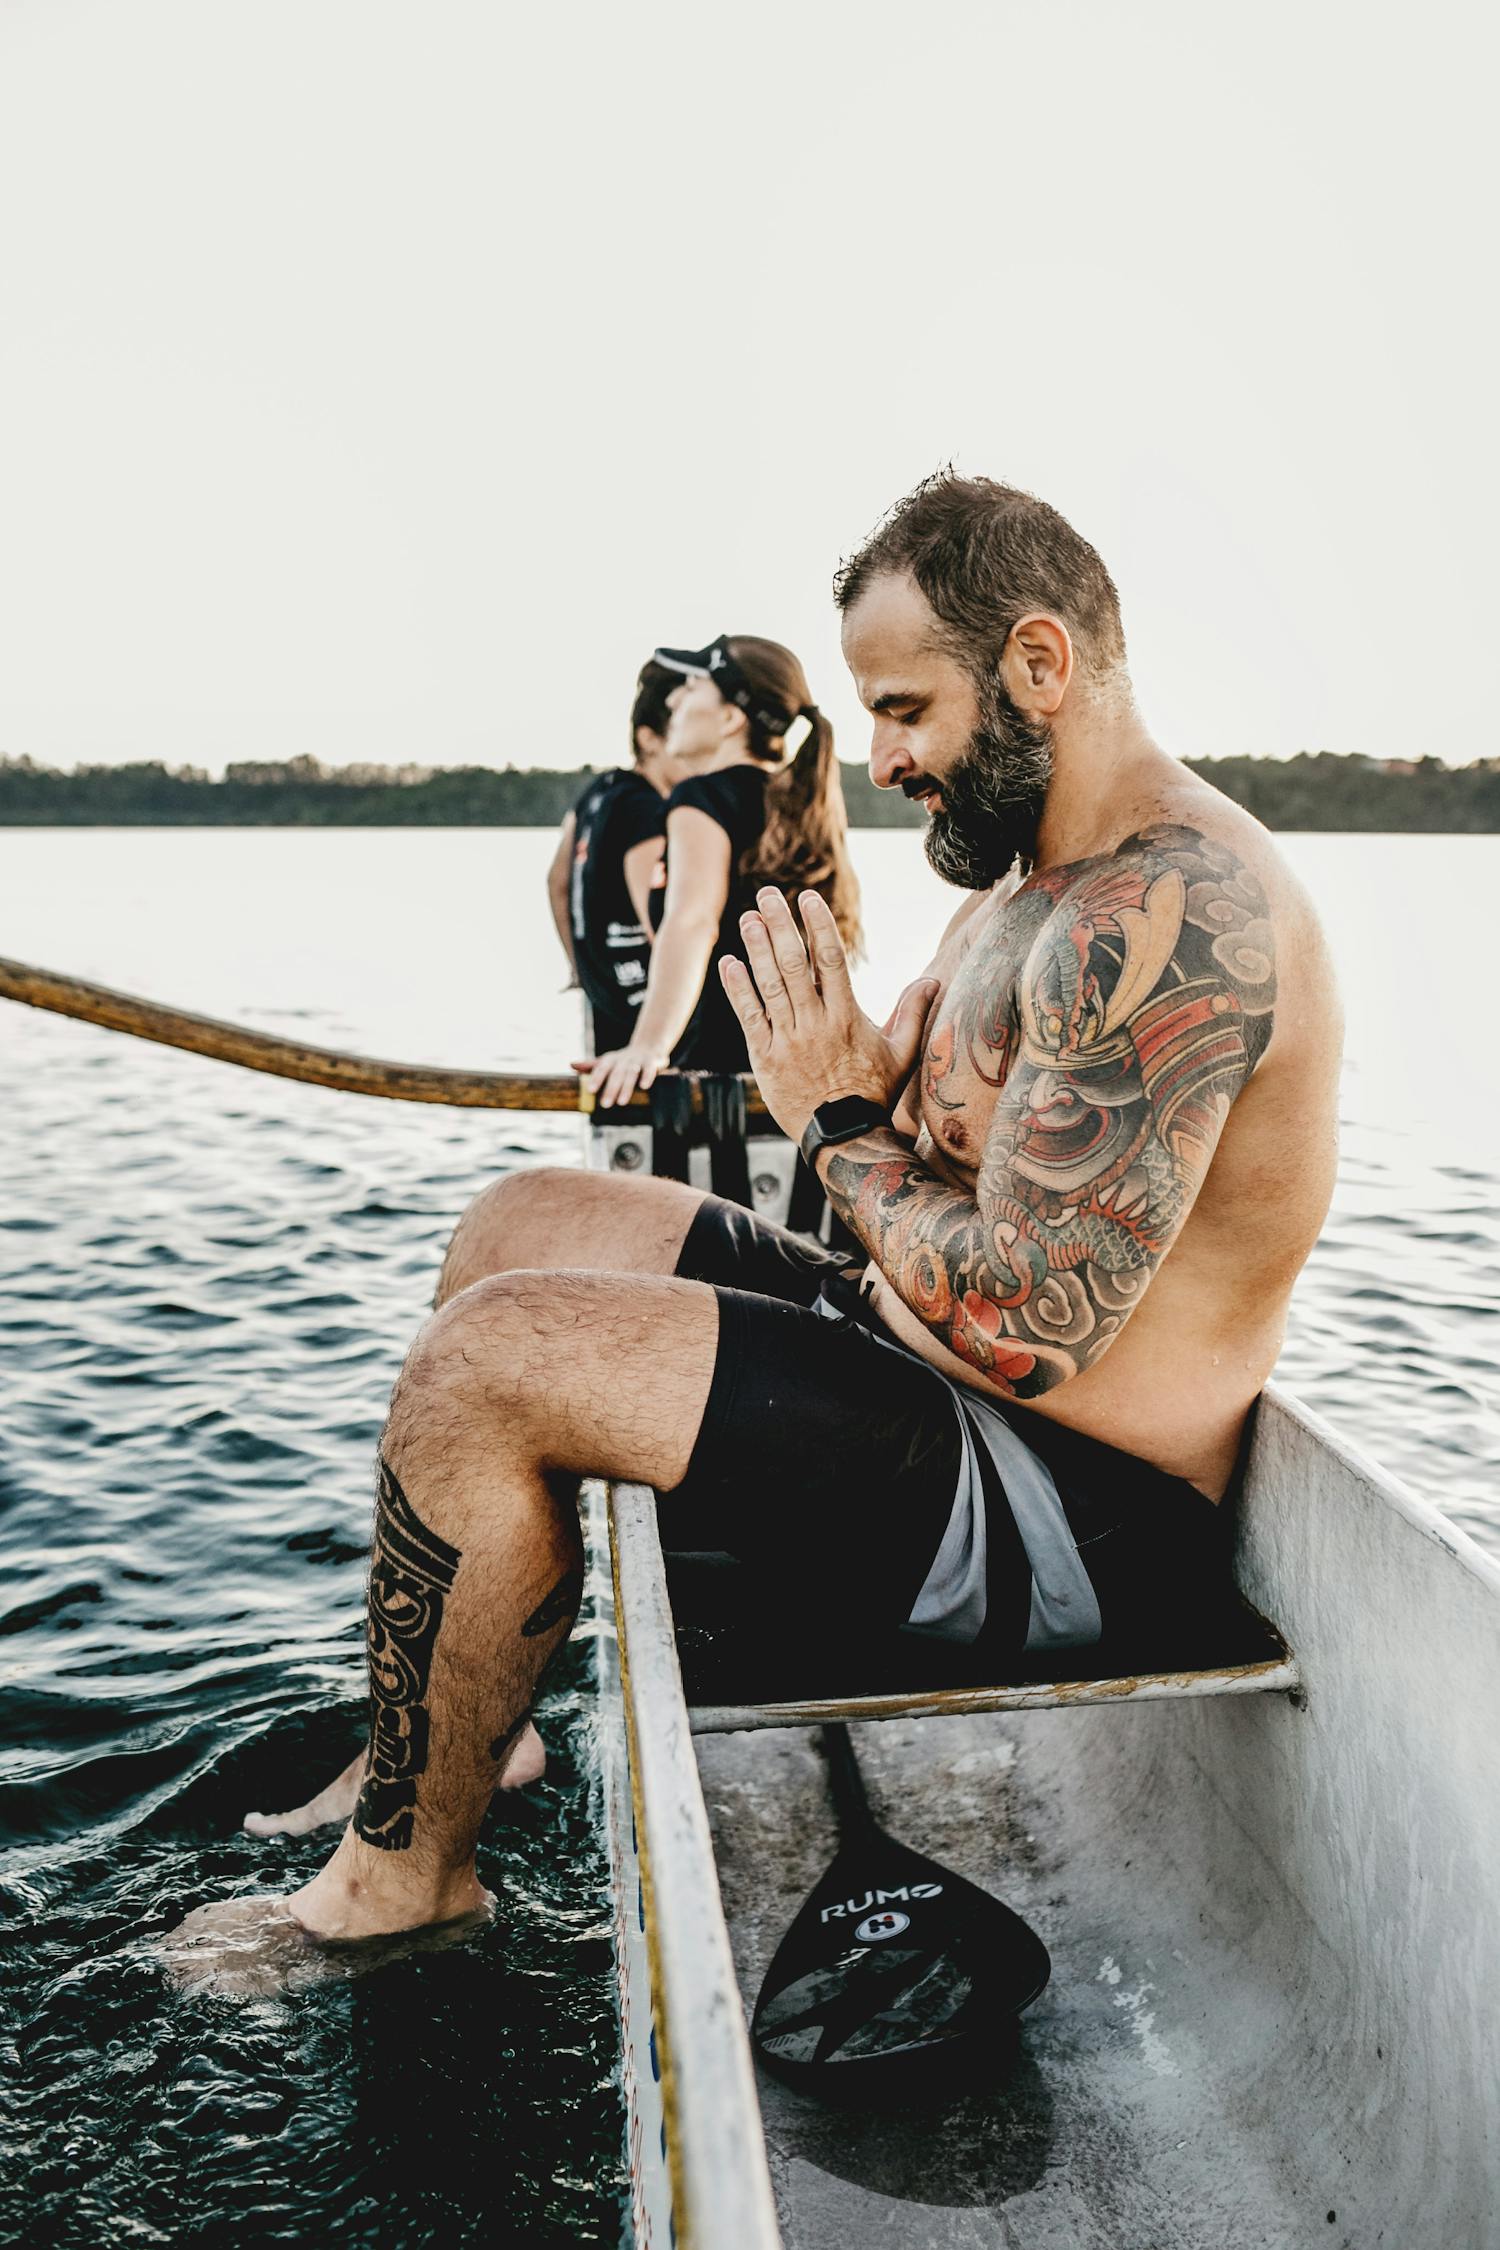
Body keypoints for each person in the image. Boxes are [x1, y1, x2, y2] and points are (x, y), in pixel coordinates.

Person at [169, 472, 1341, 1989]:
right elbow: (952, 1181)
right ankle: (479, 1735)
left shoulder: (1176, 909)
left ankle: (402, 1883)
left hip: (1073, 1506)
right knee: (522, 1225)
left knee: (489, 1364)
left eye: (908, 708)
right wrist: (874, 1105)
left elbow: (1032, 1328)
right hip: (922, 1351)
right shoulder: (1020, 892)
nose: (883, 757)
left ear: (1040, 666)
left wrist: (838, 1124)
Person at [580, 634, 862, 1111]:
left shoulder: (699, 800)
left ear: (730, 718)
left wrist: (648, 1046)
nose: (672, 699)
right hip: (798, 1080)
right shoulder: (798, 803)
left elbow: (691, 922)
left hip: (718, 1076)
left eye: (690, 689)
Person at [546, 662, 674, 1057]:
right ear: (648, 739)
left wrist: (579, 967)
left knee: (608, 1110)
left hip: (603, 996)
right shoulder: (646, 807)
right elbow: (662, 923)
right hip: (647, 1006)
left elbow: (558, 883)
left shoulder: (598, 792)